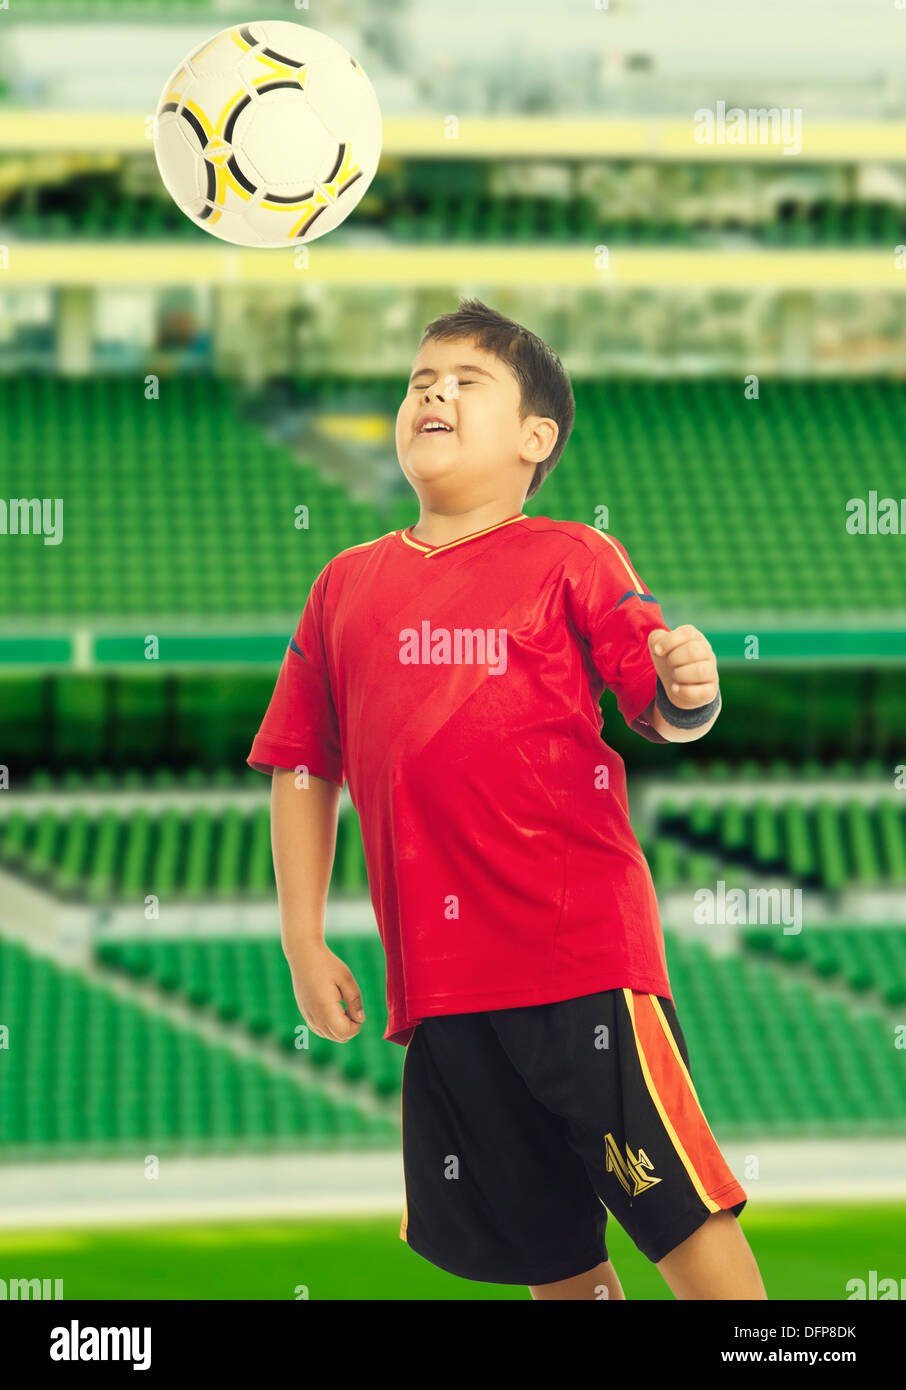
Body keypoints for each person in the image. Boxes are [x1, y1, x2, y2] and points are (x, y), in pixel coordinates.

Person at [248, 297, 766, 1300]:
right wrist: (301, 937)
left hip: (577, 957)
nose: (432, 390)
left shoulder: (571, 555)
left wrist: (686, 691)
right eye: (418, 380)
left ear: (538, 438)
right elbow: (305, 764)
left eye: (466, 380)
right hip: (438, 990)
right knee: (551, 1257)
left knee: (677, 1213)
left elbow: (651, 698)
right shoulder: (342, 586)